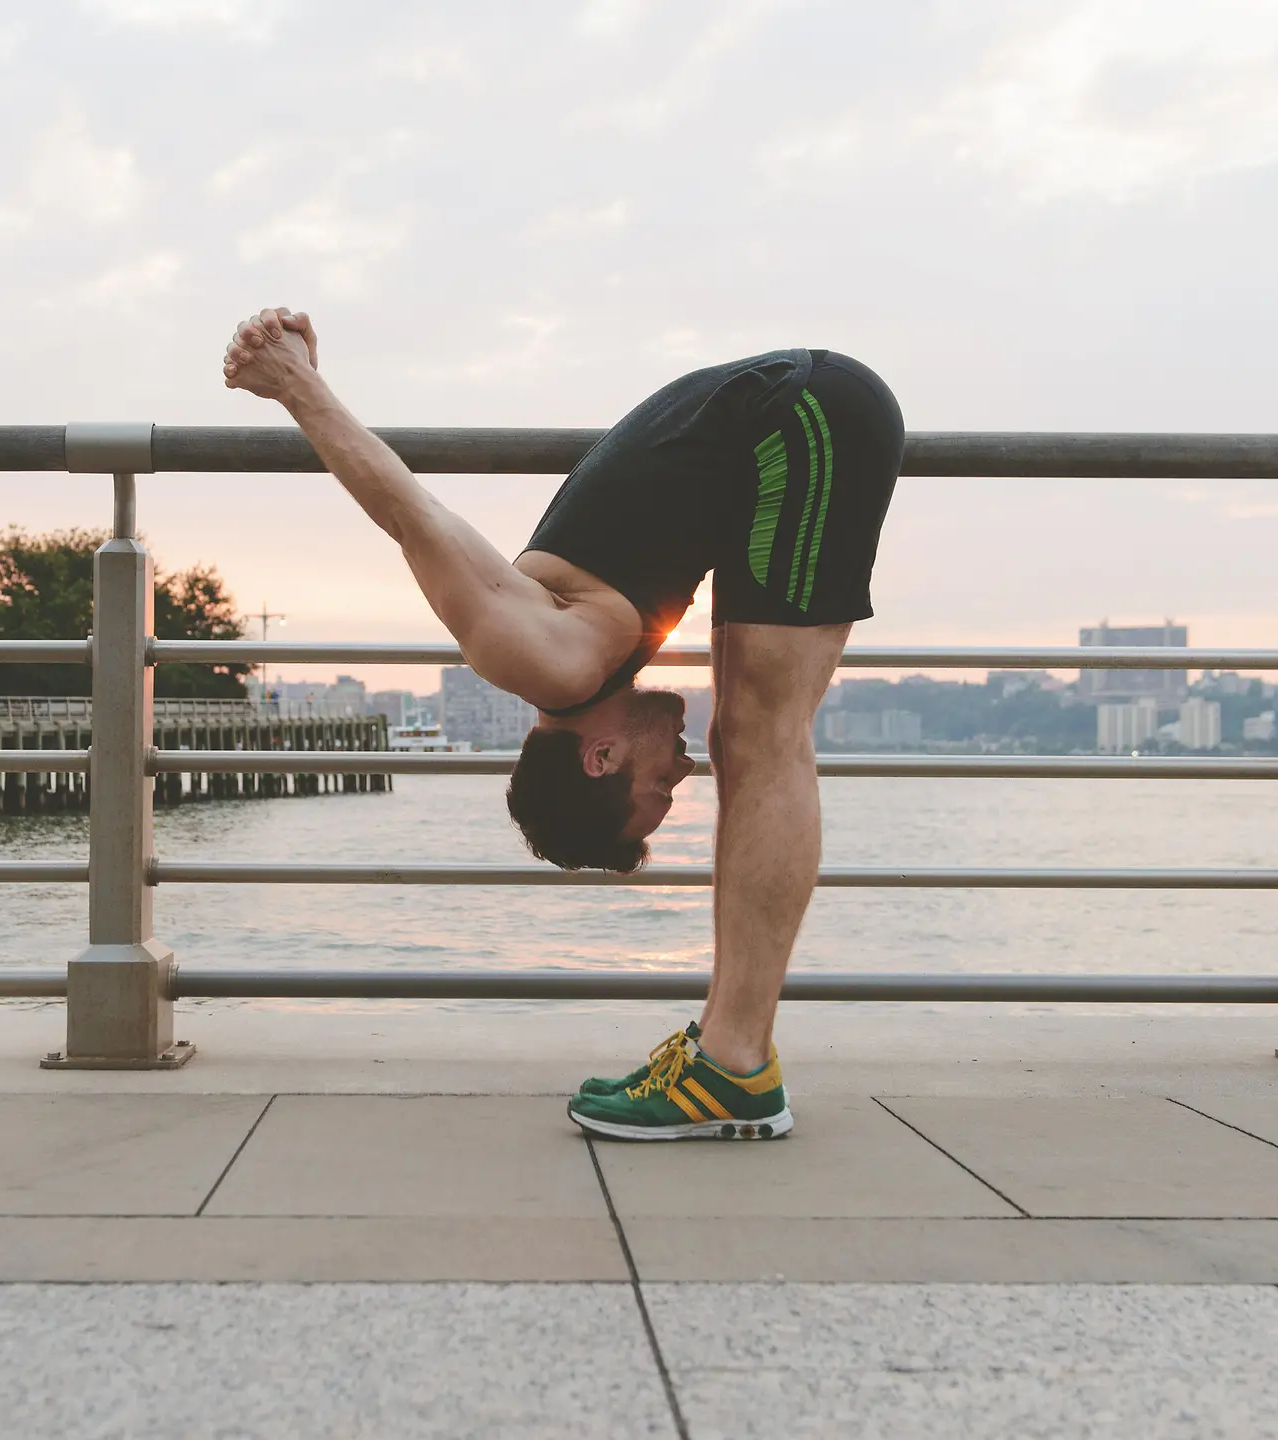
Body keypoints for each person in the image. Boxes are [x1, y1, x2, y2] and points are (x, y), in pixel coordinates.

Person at [223, 308, 903, 1141]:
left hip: (800, 418)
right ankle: (727, 1053)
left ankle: (733, 1066)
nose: (681, 775)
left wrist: (296, 385)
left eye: (658, 788)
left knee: (761, 739)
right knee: (745, 740)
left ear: (600, 757)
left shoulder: (547, 661)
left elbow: (410, 514)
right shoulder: (575, 654)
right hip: (786, 420)